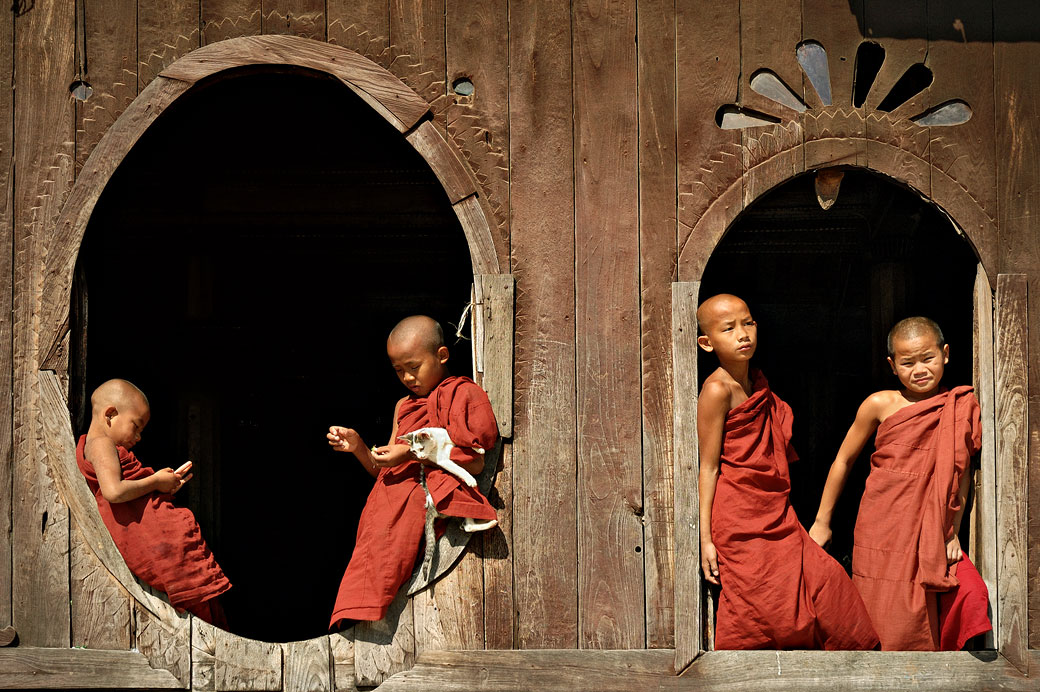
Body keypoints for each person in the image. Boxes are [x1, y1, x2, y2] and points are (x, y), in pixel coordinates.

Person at [697, 294, 878, 650]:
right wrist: (705, 538)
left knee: (827, 582)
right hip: (739, 517)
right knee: (761, 604)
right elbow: (708, 466)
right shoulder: (716, 389)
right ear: (707, 342)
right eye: (728, 328)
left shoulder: (758, 383)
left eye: (747, 323)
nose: (742, 334)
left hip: (776, 511)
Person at [809, 316, 991, 651]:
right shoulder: (880, 404)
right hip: (881, 522)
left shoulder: (960, 406)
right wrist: (822, 522)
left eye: (928, 359)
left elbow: (960, 474)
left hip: (933, 529)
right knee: (880, 607)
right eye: (907, 363)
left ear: (946, 354)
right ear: (893, 366)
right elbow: (843, 461)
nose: (919, 369)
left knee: (967, 593)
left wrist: (954, 530)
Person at [327, 315, 498, 630]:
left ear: (442, 356)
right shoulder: (403, 406)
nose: (406, 377)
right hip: (382, 509)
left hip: (416, 510)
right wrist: (359, 448)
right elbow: (382, 468)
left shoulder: (462, 394)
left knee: (386, 585)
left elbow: (474, 461)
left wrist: (410, 452)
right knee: (365, 576)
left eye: (413, 367)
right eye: (397, 370)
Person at [77, 379, 230, 626]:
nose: (138, 437)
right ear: (110, 414)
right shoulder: (102, 444)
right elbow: (114, 491)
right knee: (199, 607)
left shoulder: (102, 445)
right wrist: (155, 482)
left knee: (202, 605)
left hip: (155, 537)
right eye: (136, 427)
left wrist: (163, 485)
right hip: (150, 543)